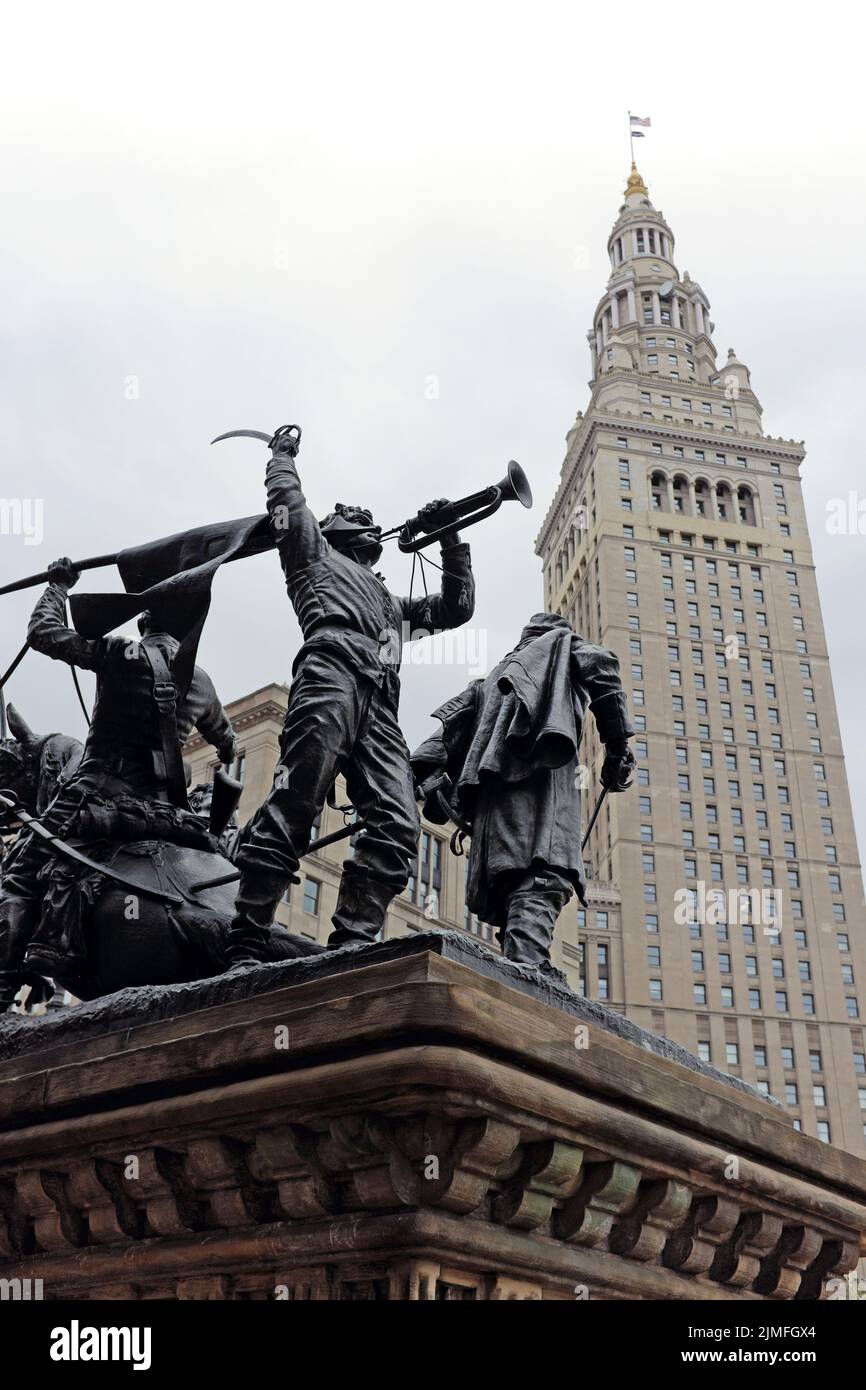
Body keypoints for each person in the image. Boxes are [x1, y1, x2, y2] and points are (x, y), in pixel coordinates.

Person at [226, 430, 475, 965]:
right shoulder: (310, 553)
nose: (364, 517)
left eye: (366, 515)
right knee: (298, 798)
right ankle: (246, 933)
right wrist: (281, 457)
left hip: (381, 700)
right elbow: (287, 503)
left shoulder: (390, 601)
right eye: (350, 515)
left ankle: (352, 945)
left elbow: (456, 608)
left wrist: (450, 537)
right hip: (330, 671)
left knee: (397, 822)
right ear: (330, 531)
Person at [0, 559, 237, 1005]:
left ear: (144, 617)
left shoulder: (119, 653)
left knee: (16, 878)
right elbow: (227, 743)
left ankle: (3, 983)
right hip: (166, 817)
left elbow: (43, 633)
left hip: (93, 802)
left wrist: (58, 585)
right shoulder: (201, 680)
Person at [410, 612, 635, 971]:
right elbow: (602, 664)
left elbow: (434, 747)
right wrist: (618, 744)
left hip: (490, 813)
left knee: (513, 885)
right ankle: (526, 970)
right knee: (545, 877)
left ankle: (523, 960)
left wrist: (424, 784)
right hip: (538, 794)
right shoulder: (558, 647)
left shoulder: (486, 684)